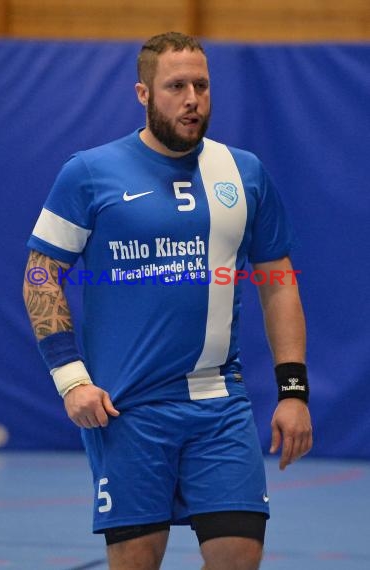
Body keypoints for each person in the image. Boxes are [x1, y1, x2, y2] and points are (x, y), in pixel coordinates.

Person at [23, 31, 312, 570]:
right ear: (143, 94)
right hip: (128, 410)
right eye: (176, 86)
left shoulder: (243, 173)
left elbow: (279, 283)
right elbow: (41, 275)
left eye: (201, 85)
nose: (192, 99)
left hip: (220, 407)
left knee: (239, 558)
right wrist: (72, 380)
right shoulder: (88, 173)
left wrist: (293, 390)